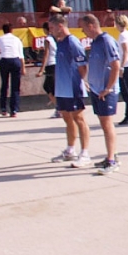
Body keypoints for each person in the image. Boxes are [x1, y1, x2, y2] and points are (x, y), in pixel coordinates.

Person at [48, 13, 91, 167]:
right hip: (62, 89)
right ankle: (70, 150)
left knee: (79, 118)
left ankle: (85, 153)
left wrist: (80, 81)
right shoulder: (59, 42)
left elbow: (82, 66)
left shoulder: (73, 42)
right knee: (67, 119)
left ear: (60, 26)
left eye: (52, 28)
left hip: (72, 88)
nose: (50, 31)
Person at [81, 14, 121, 174]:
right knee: (103, 123)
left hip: (106, 91)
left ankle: (112, 161)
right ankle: (111, 155)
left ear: (91, 25)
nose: (82, 32)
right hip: (97, 90)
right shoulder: (96, 42)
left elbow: (115, 65)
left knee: (107, 124)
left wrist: (108, 87)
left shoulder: (106, 40)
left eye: (83, 28)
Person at [0, 23, 26, 117]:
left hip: (4, 60)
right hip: (15, 60)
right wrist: (23, 67)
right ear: (12, 30)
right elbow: (21, 55)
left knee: (4, 84)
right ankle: (14, 110)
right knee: (15, 86)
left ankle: (3, 109)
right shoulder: (17, 39)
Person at [36, 22, 59, 118]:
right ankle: (59, 107)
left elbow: (46, 54)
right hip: (56, 64)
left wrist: (41, 70)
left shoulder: (48, 39)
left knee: (50, 87)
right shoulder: (56, 38)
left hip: (51, 64)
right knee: (48, 86)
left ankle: (59, 108)